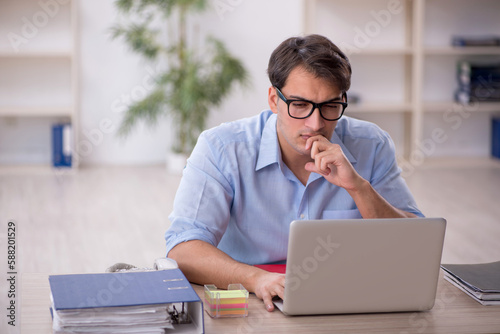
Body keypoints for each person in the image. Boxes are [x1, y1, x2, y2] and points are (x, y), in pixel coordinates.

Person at [164, 34, 423, 312]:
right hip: (250, 299)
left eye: (330, 106)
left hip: (347, 297)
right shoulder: (222, 148)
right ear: (274, 100)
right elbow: (183, 249)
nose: (316, 123)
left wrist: (359, 188)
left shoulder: (372, 144)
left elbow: (415, 247)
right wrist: (255, 278)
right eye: (300, 105)